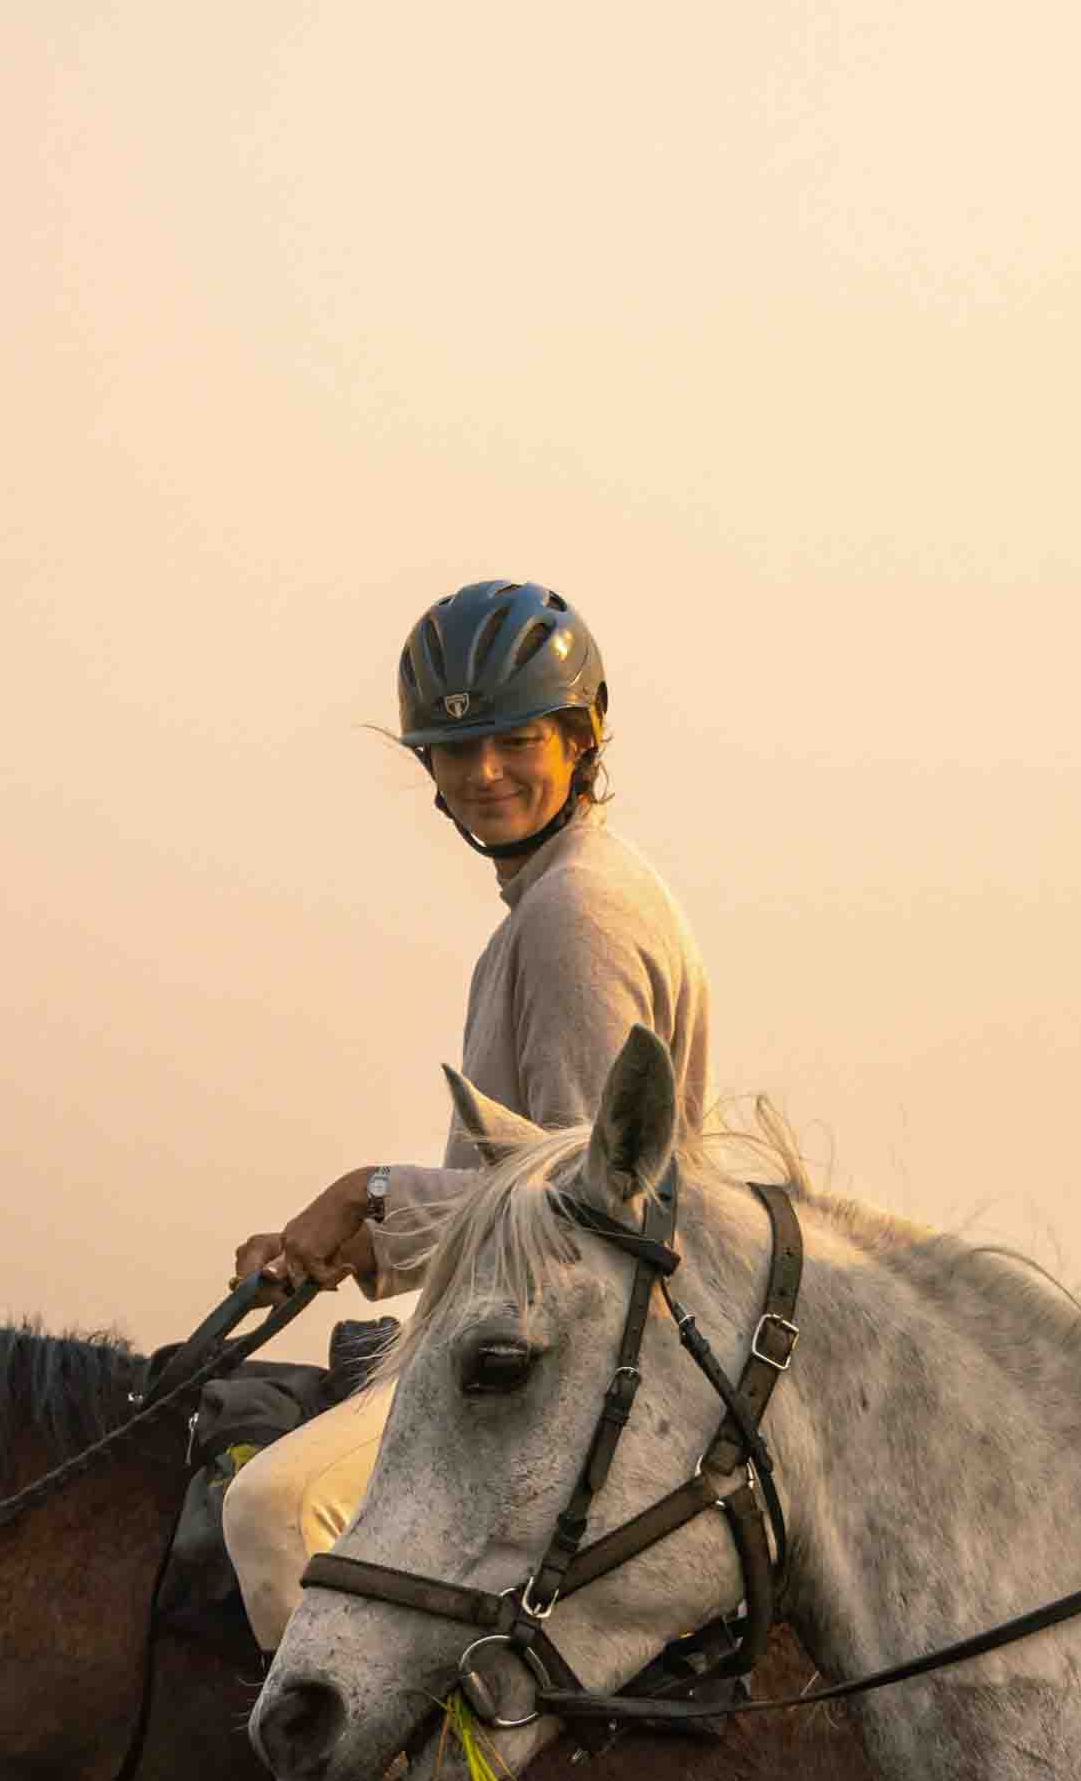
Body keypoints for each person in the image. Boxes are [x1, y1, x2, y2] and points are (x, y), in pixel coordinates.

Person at [219, 580, 715, 1648]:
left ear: (581, 738)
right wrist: (358, 1238)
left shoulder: (574, 914)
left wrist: (371, 1194)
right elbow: (536, 1183)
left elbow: (587, 1219)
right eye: (456, 751)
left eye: (515, 739)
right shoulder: (552, 898)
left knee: (271, 1508)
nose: (484, 773)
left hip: (575, 1366)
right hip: (535, 1339)